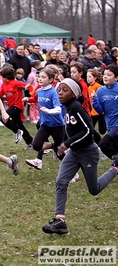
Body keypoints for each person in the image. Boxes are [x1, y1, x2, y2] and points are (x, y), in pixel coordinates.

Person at [42, 78, 118, 235]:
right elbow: (71, 130)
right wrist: (64, 144)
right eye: (59, 90)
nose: (60, 93)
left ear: (74, 93)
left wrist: (66, 144)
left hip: (88, 152)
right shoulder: (67, 108)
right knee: (61, 181)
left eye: (65, 90)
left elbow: (88, 131)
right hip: (74, 153)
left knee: (94, 189)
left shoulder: (77, 108)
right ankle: (60, 221)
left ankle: (115, 168)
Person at [23, 67, 65, 170]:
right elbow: (34, 99)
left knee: (60, 152)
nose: (40, 79)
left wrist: (48, 111)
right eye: (39, 77)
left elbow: (58, 109)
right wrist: (28, 99)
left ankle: (73, 172)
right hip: (45, 124)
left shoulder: (53, 92)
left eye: (43, 77)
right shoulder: (39, 91)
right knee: (36, 145)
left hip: (57, 125)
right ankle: (53, 147)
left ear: (50, 80)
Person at [0, 67, 34, 149]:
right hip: (11, 106)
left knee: (4, 118)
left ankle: (17, 131)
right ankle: (30, 142)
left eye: (2, 76)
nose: (1, 78)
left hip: (18, 106)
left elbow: (29, 86)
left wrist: (30, 96)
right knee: (20, 125)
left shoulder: (16, 83)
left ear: (7, 76)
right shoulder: (4, 85)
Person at [92, 64, 118, 159]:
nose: (105, 76)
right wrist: (94, 100)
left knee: (103, 144)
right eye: (104, 74)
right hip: (110, 124)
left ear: (116, 78)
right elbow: (100, 111)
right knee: (114, 148)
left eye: (109, 74)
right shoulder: (100, 91)